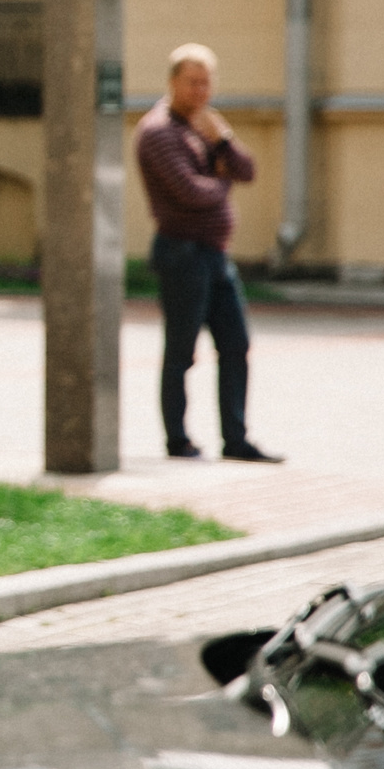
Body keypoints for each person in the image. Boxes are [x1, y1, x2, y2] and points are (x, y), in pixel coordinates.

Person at [138, 44, 282, 464]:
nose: (201, 90)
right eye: (192, 81)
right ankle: (178, 440)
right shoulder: (159, 131)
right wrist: (221, 180)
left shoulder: (204, 127)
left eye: (207, 81)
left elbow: (247, 170)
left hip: (215, 256)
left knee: (236, 345)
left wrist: (224, 140)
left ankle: (235, 440)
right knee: (182, 351)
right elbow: (191, 193)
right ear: (172, 82)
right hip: (182, 254)